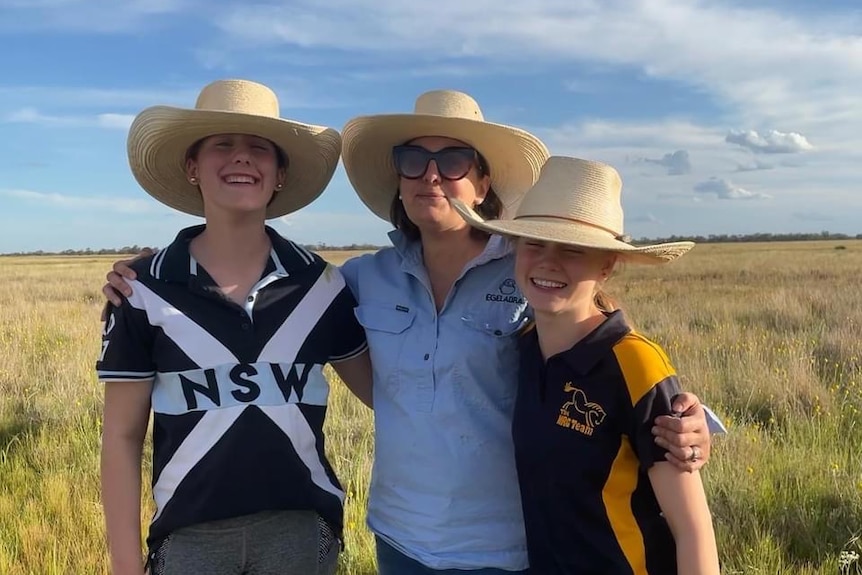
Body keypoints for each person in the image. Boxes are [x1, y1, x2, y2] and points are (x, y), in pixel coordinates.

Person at [102, 90, 718, 574]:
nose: (431, 174)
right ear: (396, 178)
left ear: (483, 183)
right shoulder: (360, 281)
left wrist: (684, 418)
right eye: (411, 159)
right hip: (400, 536)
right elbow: (381, 388)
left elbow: (597, 336)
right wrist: (137, 276)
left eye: (453, 160)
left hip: (513, 541)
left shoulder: (530, 268)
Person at [96, 79, 372, 575]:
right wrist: (123, 563)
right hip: (190, 539)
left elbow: (384, 392)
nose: (241, 158)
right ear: (192, 168)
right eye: (222, 144)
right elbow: (120, 436)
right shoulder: (141, 291)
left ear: (280, 174)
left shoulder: (322, 285)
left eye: (259, 148)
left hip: (301, 531)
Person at [451, 155, 721, 574]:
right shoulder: (520, 349)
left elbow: (693, 529)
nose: (548, 262)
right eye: (535, 244)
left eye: (573, 250)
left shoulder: (635, 363)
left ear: (607, 265)